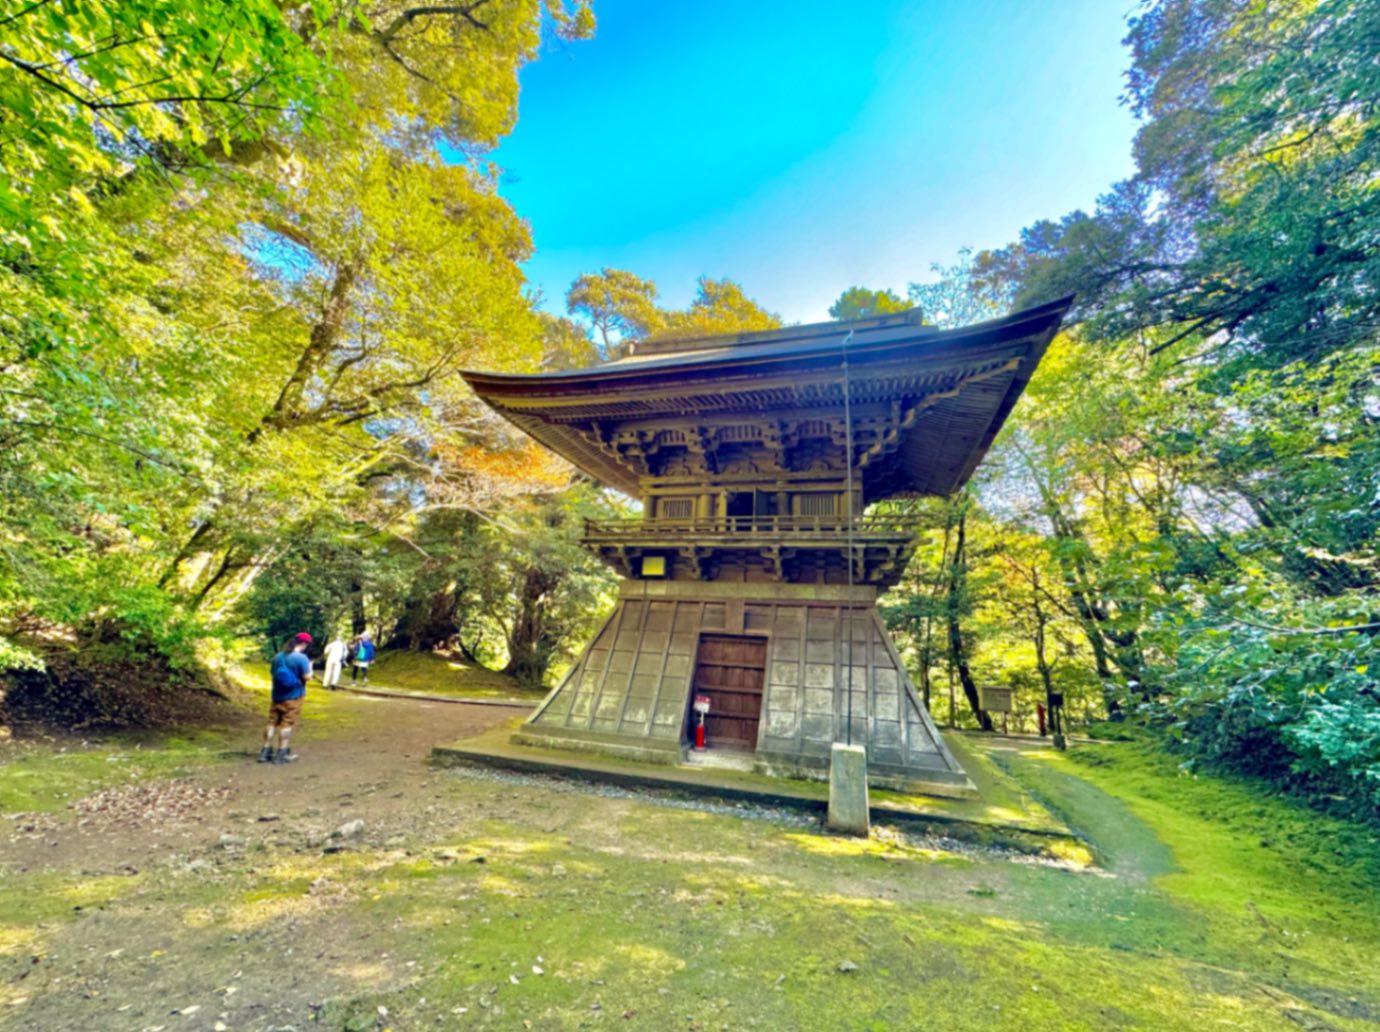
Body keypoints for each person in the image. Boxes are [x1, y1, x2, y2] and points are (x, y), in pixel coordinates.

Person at [261, 632, 312, 764]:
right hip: (293, 697)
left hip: (277, 696)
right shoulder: (302, 658)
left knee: (271, 722)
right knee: (287, 723)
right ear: (304, 644)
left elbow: (273, 673)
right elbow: (307, 677)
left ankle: (265, 751)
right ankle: (282, 753)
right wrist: (309, 670)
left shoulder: (278, 656)